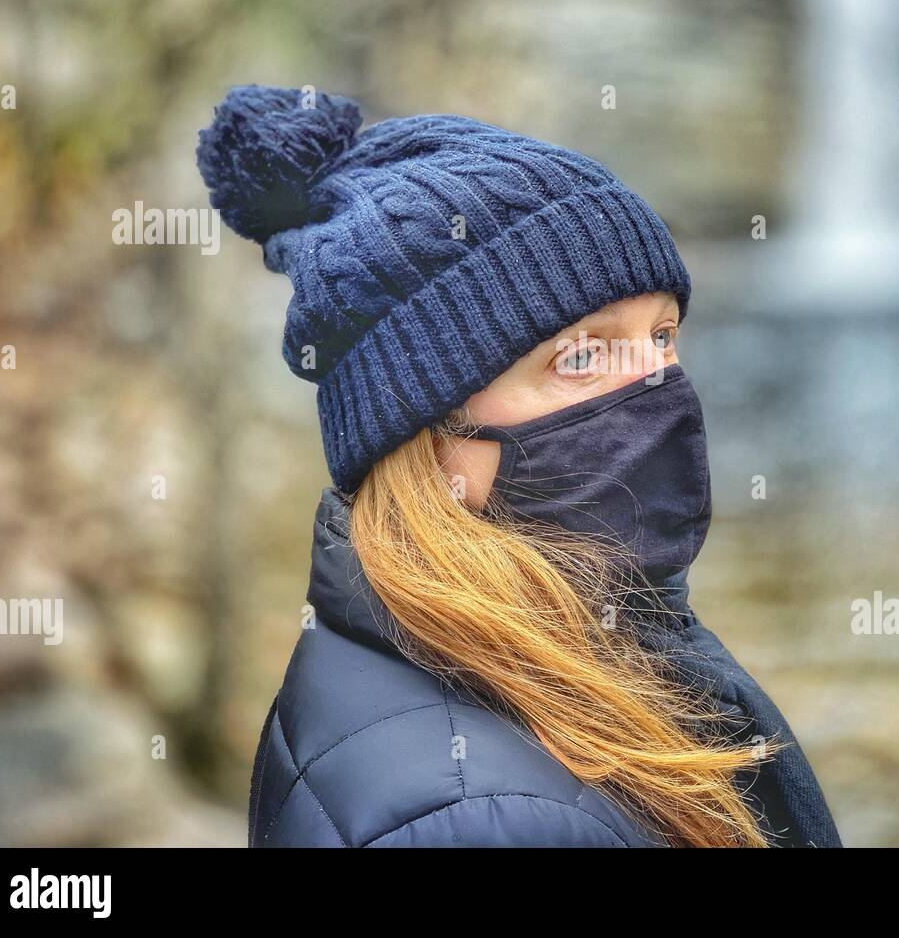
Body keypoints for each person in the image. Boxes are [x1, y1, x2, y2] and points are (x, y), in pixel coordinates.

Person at [196, 85, 842, 847]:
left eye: (663, 335)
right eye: (580, 354)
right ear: (425, 432)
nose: (656, 387)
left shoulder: (552, 645)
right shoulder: (483, 818)